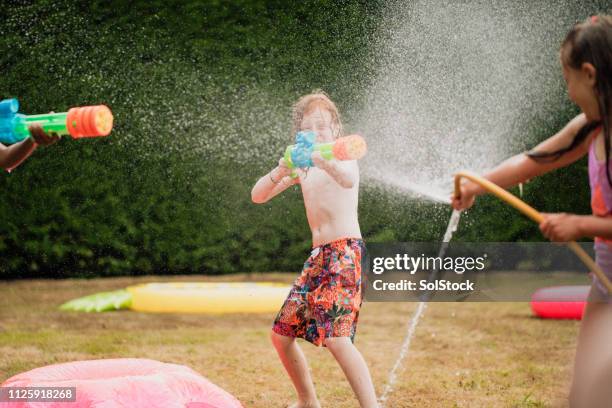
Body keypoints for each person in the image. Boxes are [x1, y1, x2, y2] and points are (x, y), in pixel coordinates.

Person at [452, 16, 612, 407]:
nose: (568, 89)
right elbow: (531, 162)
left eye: (567, 76)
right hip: (605, 277)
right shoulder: (592, 127)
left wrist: (579, 224)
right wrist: (476, 183)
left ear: (589, 74)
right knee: (583, 398)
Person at [251, 91, 377, 407]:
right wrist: (281, 170)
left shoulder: (344, 156)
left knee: (337, 338)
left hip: (345, 253)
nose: (316, 132)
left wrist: (324, 158)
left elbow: (347, 181)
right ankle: (308, 401)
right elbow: (258, 195)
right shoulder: (303, 168)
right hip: (317, 257)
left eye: (322, 125)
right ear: (299, 135)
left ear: (335, 128)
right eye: (308, 127)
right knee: (281, 336)